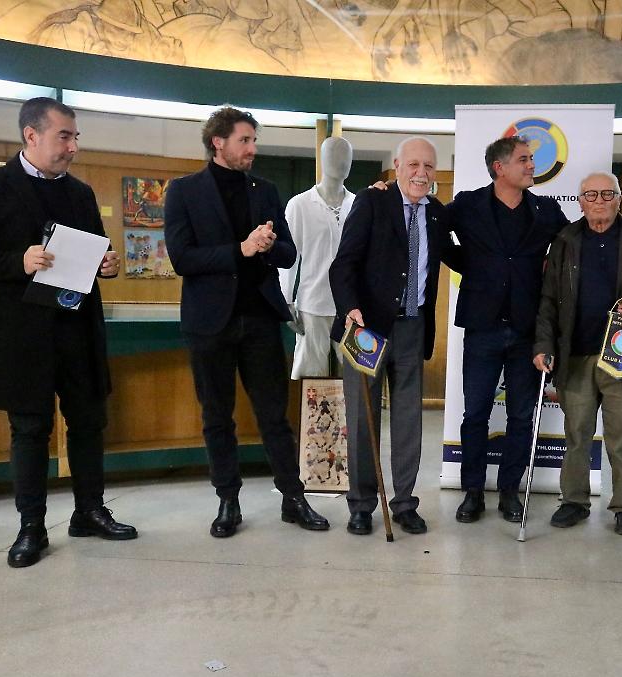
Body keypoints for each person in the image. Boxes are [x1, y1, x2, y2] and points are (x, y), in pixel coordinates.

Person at [0, 97, 136, 568]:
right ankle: (31, 526)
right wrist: (19, 261)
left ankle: (89, 511)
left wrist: (107, 264)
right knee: (30, 429)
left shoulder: (81, 194)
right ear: (31, 136)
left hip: (78, 328)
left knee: (89, 422)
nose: (73, 147)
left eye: (75, 137)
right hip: (21, 333)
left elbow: (94, 251)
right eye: (64, 136)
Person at [165, 106, 329, 538]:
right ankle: (228, 501)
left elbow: (290, 255)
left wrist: (270, 245)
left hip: (260, 318)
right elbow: (182, 259)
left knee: (274, 416)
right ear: (218, 142)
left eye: (254, 140)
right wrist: (241, 249)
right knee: (217, 417)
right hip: (209, 322)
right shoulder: (184, 191)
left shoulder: (266, 190)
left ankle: (293, 498)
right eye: (245, 140)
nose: (253, 148)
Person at [328, 136, 459, 536]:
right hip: (366, 328)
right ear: (397, 167)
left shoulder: (437, 213)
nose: (421, 173)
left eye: (429, 167)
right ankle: (361, 505)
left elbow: (458, 257)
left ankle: (404, 503)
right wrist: (350, 308)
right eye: (413, 165)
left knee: (408, 419)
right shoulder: (372, 202)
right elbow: (343, 264)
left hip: (413, 327)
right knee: (362, 418)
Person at [533, 172, 622, 535]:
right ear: (580, 201)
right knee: (576, 434)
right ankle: (574, 501)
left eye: (607, 194)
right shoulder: (564, 240)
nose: (599, 201)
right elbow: (548, 299)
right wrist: (543, 345)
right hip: (575, 355)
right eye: (591, 195)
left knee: (621, 438)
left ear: (619, 199)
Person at [449, 135, 569, 524]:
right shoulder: (468, 205)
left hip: (528, 331)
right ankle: (472, 492)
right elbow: (431, 226)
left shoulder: (546, 210)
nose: (532, 165)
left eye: (531, 159)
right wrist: (471, 264)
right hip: (481, 328)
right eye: (524, 159)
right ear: (499, 167)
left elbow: (574, 244)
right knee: (475, 415)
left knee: (521, 417)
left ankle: (509, 492)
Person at [279, 136, 355, 379]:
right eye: (334, 154)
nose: (341, 161)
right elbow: (289, 257)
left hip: (351, 306)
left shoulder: (358, 204)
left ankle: (351, 409)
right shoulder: (299, 205)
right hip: (313, 303)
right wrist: (286, 300)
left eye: (346, 156)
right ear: (322, 159)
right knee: (311, 375)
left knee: (355, 374)